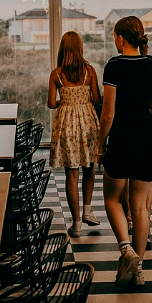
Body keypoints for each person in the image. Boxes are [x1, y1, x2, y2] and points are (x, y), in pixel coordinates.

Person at [97, 16, 152, 288]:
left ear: (121, 39)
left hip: (122, 139)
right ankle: (139, 270)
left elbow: (108, 113)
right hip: (147, 140)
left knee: (112, 199)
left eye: (115, 36)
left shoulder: (114, 66)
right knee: (140, 207)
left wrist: (100, 143)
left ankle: (126, 249)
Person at [47, 31, 102, 237]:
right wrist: (82, 100)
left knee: (71, 174)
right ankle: (88, 210)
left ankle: (76, 223)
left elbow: (51, 103)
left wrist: (66, 101)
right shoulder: (90, 71)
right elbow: (96, 100)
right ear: (80, 48)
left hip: (66, 124)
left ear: (62, 48)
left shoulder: (56, 74)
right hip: (88, 122)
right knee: (90, 167)